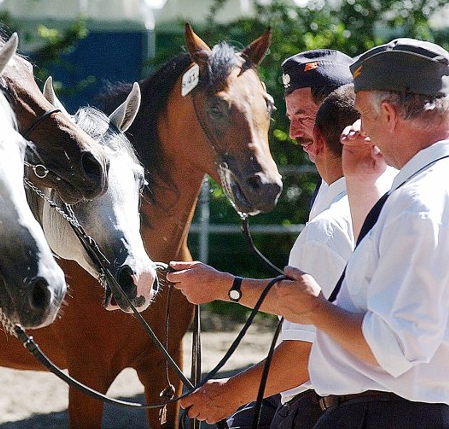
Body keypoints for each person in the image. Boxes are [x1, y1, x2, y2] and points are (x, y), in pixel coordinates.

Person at [171, 38, 449, 428]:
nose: (360, 133)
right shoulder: (418, 188)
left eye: (363, 118)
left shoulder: (414, 202)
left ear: (387, 113)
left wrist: (312, 309)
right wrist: (363, 184)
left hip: (380, 412)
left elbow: (392, 345)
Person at [166, 84, 367, 427]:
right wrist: (223, 286)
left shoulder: (328, 228)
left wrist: (229, 394)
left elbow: (301, 352)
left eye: (302, 118)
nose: (292, 131)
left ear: (318, 142)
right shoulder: (396, 209)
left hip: (329, 408)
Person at [281, 49, 354, 219]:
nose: (293, 134)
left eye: (304, 118)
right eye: (290, 119)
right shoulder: (326, 183)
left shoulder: (376, 185)